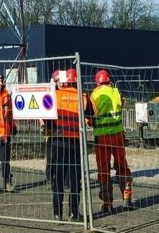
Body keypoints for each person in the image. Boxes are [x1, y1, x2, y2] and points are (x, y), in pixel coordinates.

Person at [50, 67, 90, 223]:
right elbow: (91, 117)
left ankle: (57, 214)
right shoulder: (83, 96)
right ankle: (74, 213)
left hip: (57, 141)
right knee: (75, 180)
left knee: (58, 178)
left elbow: (46, 118)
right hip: (75, 142)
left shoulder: (53, 96)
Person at [90, 69, 133, 214]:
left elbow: (90, 118)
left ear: (97, 82)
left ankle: (107, 203)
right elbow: (122, 104)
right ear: (109, 80)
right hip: (118, 135)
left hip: (102, 137)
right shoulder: (116, 92)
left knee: (103, 168)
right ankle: (127, 197)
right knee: (121, 165)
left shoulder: (94, 95)